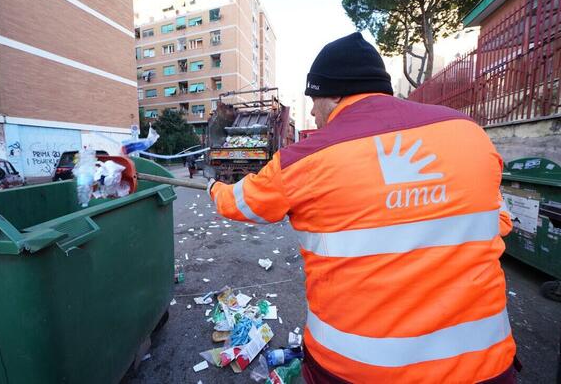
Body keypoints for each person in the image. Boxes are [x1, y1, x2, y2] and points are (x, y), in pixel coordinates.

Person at [207, 32, 517, 383]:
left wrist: (213, 187)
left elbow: (242, 203)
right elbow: (500, 221)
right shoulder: (469, 134)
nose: (311, 109)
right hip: (482, 365)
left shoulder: (309, 158)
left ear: (336, 92)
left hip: (358, 369)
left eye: (315, 97)